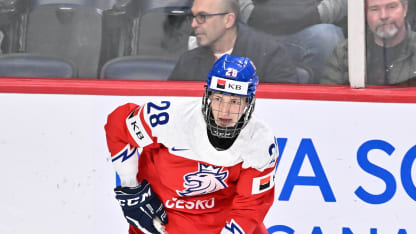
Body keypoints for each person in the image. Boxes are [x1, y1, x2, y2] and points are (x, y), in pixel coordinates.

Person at [105, 55, 278, 234]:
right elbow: (118, 125)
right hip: (164, 219)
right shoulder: (170, 119)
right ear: (209, 95)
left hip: (223, 220)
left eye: (234, 102)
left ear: (248, 103)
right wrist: (131, 187)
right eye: (219, 99)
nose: (224, 111)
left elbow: (250, 207)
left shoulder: (260, 141)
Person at [168, 0, 300, 83]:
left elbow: (285, 111)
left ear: (228, 20)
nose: (194, 24)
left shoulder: (271, 55)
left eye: (202, 16)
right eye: (193, 16)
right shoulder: (188, 61)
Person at [239, 0, 347, 83]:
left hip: (312, 29)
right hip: (253, 28)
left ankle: (320, 102)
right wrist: (251, 13)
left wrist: (317, 13)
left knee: (327, 37)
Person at [321, 0, 416, 86]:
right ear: (365, 14)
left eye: (391, 7)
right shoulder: (345, 53)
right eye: (374, 9)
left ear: (405, 9)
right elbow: (328, 101)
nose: (383, 16)